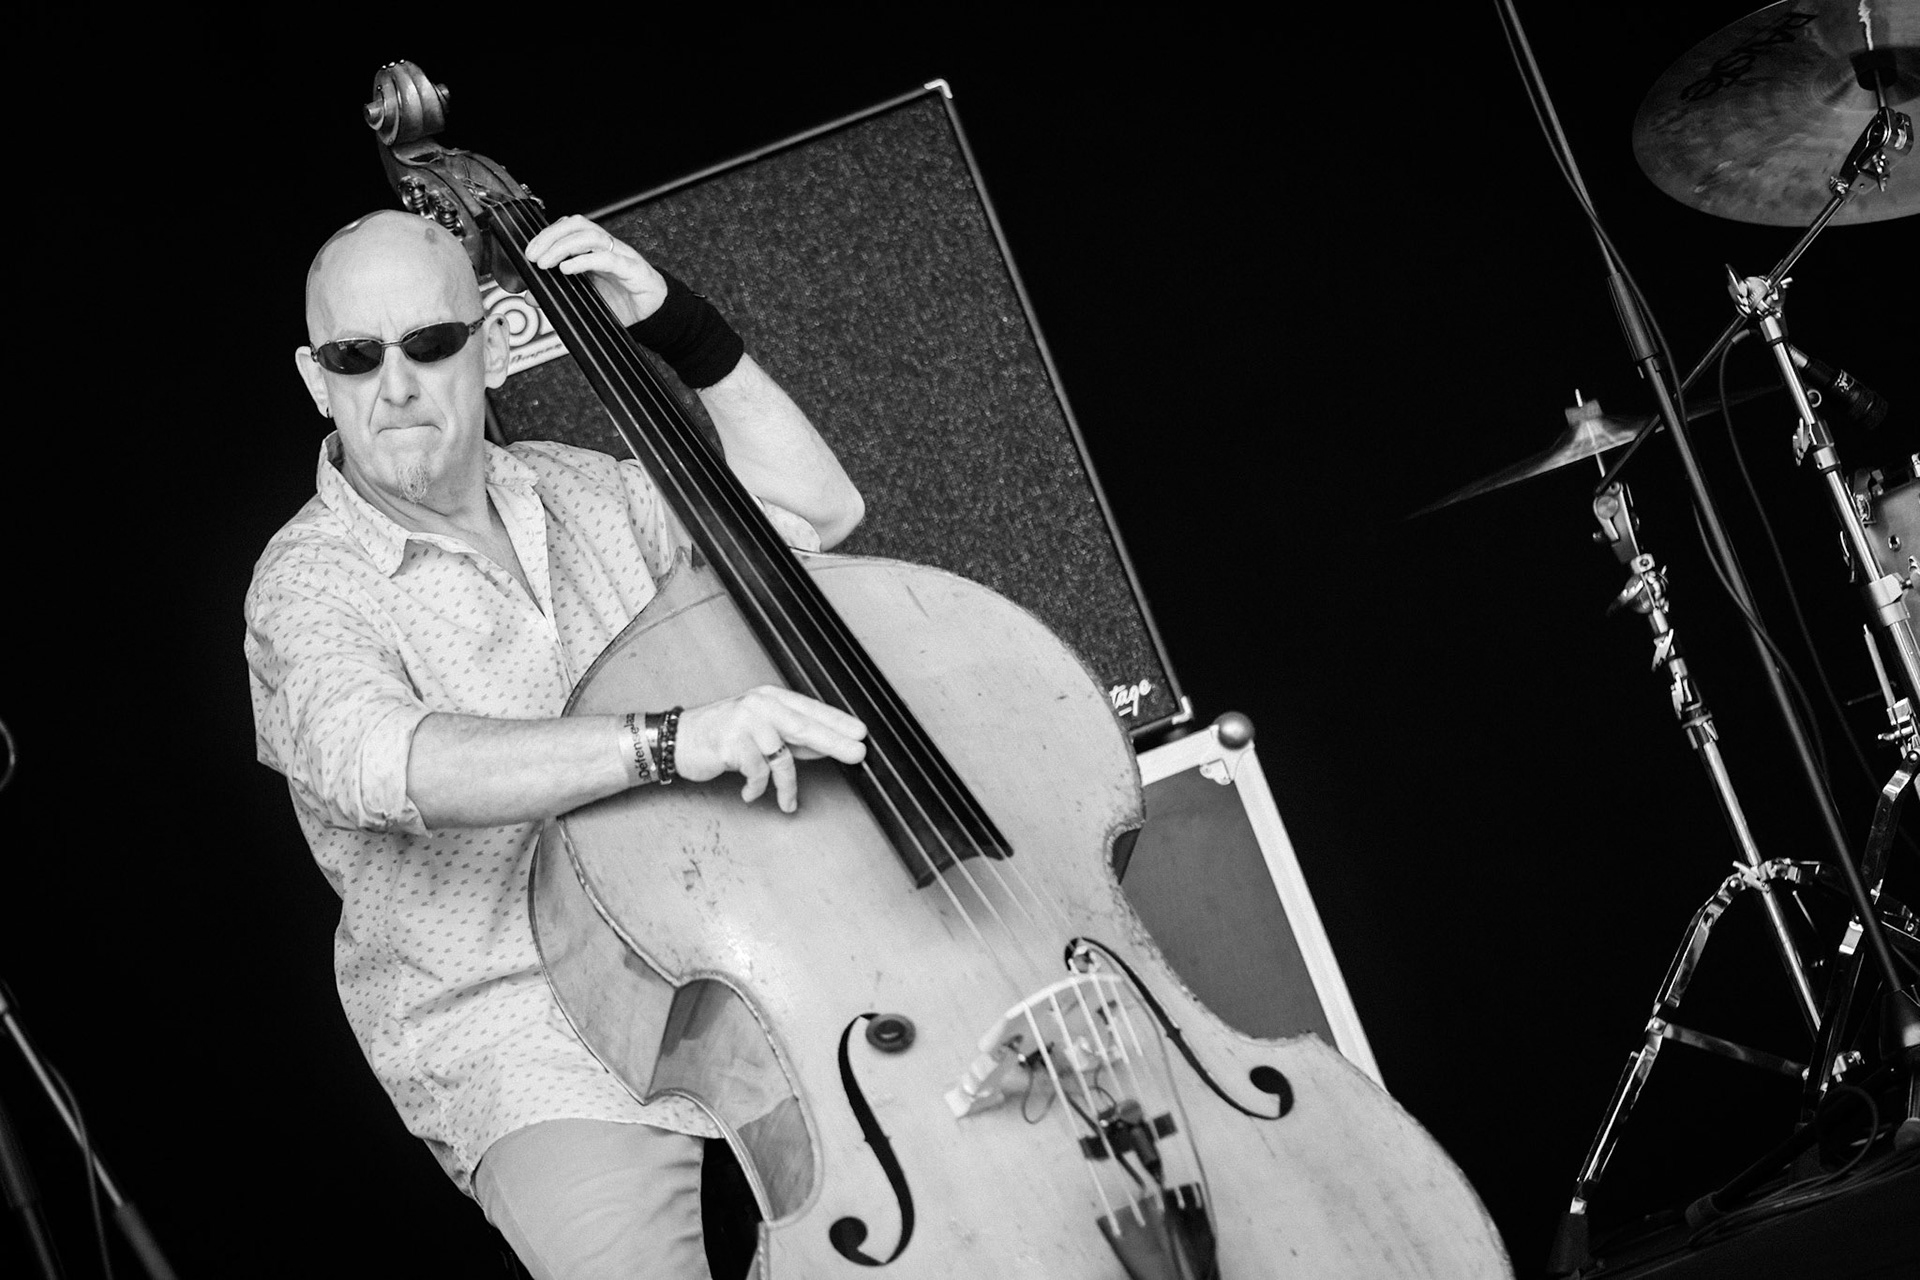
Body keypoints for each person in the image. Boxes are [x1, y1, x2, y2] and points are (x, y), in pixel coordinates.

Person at [245, 208, 869, 1279]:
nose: (393, 385)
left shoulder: (581, 487)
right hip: (516, 1020)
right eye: (357, 356)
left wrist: (681, 327)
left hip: (722, 959)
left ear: (490, 341)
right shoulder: (304, 581)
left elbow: (819, 509)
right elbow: (386, 762)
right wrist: (672, 740)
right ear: (317, 378)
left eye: (431, 344)